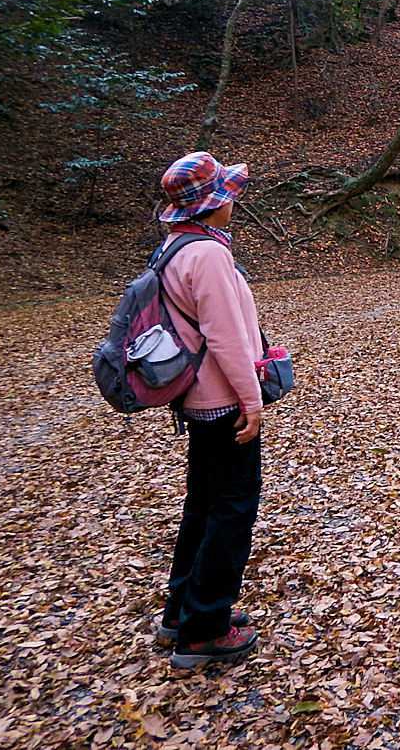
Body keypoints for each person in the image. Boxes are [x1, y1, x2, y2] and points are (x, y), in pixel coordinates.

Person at [151, 151, 264, 668]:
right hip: (223, 403)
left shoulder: (174, 246)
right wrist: (252, 400)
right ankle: (204, 630)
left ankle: (182, 612)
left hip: (196, 401)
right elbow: (227, 337)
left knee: (203, 505)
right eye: (227, 194)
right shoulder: (209, 254)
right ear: (212, 204)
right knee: (232, 510)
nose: (233, 202)